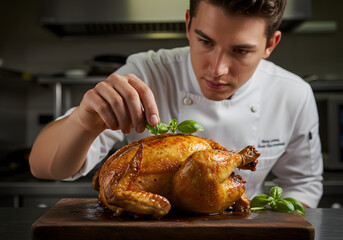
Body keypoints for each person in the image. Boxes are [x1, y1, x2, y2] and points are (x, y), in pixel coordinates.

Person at [29, 0, 323, 208]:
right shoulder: (147, 73)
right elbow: (44, 167)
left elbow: (304, 185)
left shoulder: (293, 94)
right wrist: (83, 122)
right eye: (205, 41)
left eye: (241, 50)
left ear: (271, 44)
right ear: (188, 24)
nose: (218, 69)